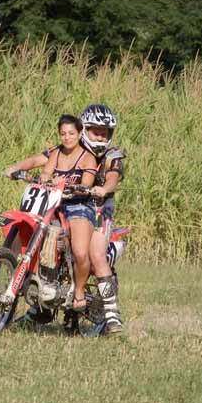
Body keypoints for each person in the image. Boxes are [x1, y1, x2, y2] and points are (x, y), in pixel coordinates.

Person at [4, 115, 98, 313]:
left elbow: (88, 183)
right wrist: (21, 170)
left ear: (80, 133)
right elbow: (43, 168)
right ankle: (35, 277)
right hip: (52, 203)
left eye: (71, 133)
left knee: (81, 252)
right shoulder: (56, 152)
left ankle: (79, 292)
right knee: (33, 228)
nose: (67, 137)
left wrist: (72, 185)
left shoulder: (87, 156)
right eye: (63, 133)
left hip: (78, 205)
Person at [78, 104, 125, 335]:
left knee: (96, 254)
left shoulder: (112, 155)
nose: (101, 136)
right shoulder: (73, 150)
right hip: (72, 208)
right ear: (84, 129)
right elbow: (49, 160)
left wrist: (105, 189)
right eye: (96, 131)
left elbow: (113, 176)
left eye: (105, 132)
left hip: (99, 211)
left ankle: (111, 314)